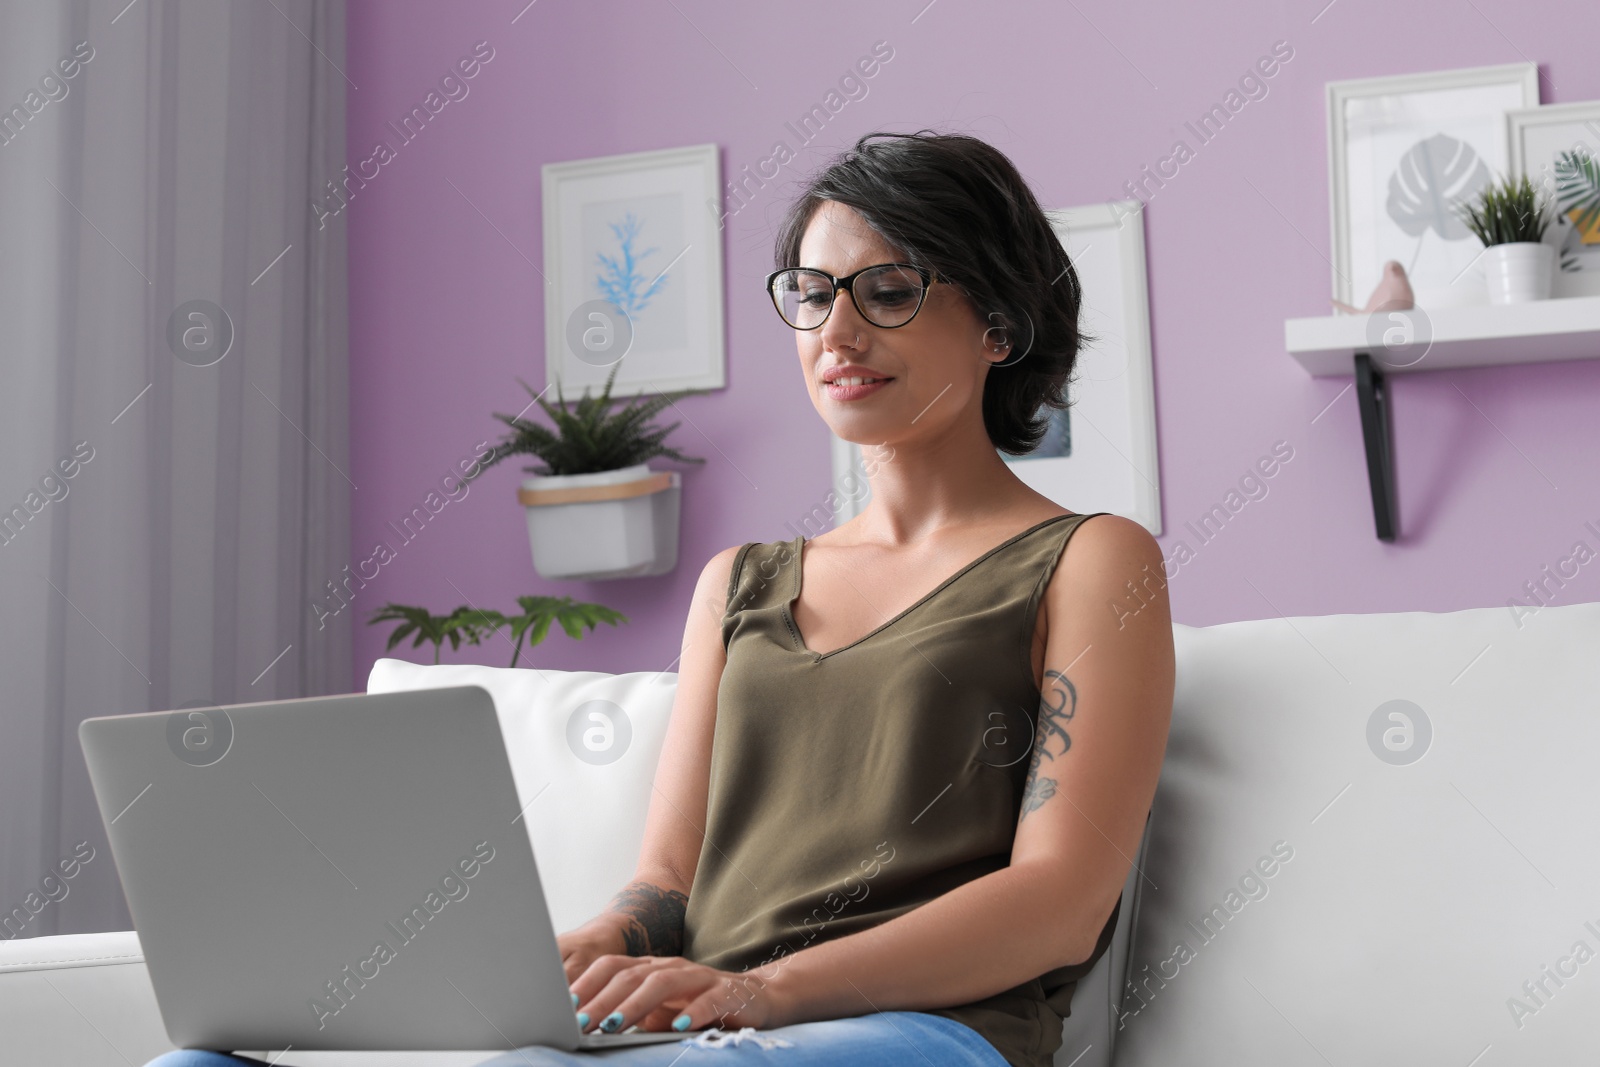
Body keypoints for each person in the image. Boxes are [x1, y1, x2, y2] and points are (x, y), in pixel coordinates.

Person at [147, 129, 1173, 1067]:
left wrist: (760, 991)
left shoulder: (1090, 558)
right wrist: (597, 943)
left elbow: (1058, 901)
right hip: (697, 1023)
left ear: (998, 324)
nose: (837, 330)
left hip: (917, 1032)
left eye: (890, 290)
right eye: (813, 294)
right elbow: (667, 880)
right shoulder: (740, 581)